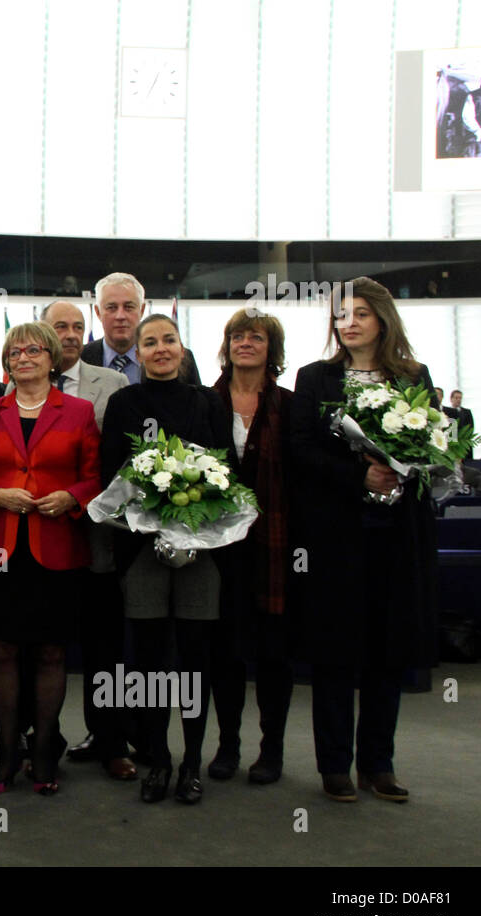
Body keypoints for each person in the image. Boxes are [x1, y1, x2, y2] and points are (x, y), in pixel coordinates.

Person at [290, 276, 439, 803]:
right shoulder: (315, 378)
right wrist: (360, 477)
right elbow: (300, 451)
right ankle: (335, 765)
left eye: (360, 314)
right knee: (336, 651)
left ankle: (379, 764)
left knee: (387, 650)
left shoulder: (414, 376)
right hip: (337, 536)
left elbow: (432, 441)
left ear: (382, 319)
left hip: (397, 534)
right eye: (340, 315)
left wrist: (406, 467)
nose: (348, 323)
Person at [0, 322, 99, 795]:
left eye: (33, 350)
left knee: (51, 652)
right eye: (14, 352)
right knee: (0, 650)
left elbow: (96, 478)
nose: (23, 358)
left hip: (56, 548)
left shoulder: (79, 412)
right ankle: (6, 756)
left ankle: (43, 754)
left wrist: (72, 497)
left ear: (52, 358)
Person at [99, 314, 232, 805]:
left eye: (168, 340)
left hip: (202, 548)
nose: (160, 349)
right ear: (138, 354)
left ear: (181, 348)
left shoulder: (209, 401)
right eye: (150, 342)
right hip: (141, 551)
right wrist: (152, 519)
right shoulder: (124, 403)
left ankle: (192, 762)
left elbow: (228, 472)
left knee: (195, 661)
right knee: (148, 662)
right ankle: (158, 759)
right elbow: (110, 476)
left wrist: (194, 523)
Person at [36, 301, 135, 780]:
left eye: (78, 326)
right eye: (61, 326)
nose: (72, 334)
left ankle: (110, 740)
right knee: (43, 646)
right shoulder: (18, 384)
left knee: (104, 647)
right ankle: (40, 740)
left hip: (98, 540)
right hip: (37, 537)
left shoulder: (112, 384)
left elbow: (122, 461)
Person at [206, 309, 294, 785]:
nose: (245, 343)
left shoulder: (290, 405)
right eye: (237, 336)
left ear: (270, 348)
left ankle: (271, 749)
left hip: (274, 546)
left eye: (255, 337)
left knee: (274, 654)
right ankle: (228, 746)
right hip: (220, 546)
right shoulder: (206, 402)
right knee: (226, 652)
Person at [82, 273, 201, 385]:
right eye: (112, 308)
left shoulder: (179, 358)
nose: (120, 316)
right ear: (98, 312)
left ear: (142, 310)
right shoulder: (80, 358)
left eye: (128, 307)